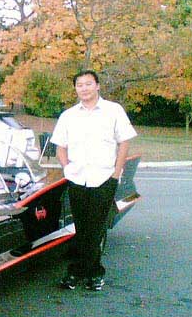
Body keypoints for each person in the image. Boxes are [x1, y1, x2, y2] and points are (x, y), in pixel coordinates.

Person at [50, 70, 137, 291]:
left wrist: (116, 173)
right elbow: (60, 147)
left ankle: (92, 273)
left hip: (104, 178)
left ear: (97, 86)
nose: (84, 88)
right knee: (81, 228)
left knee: (96, 228)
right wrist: (67, 168)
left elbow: (124, 142)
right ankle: (82, 271)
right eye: (80, 85)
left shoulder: (113, 111)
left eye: (88, 84)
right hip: (77, 179)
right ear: (75, 89)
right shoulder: (68, 116)